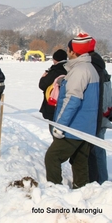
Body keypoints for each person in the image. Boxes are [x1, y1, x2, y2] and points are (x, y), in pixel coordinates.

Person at [44, 33, 100, 189]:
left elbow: (72, 101)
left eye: (69, 49)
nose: (68, 52)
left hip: (74, 127)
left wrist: (60, 126)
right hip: (87, 127)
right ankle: (81, 191)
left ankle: (54, 191)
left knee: (52, 157)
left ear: (74, 51)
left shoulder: (80, 70)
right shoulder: (90, 68)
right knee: (79, 161)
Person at [88, 49, 111, 184]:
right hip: (103, 115)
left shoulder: (96, 73)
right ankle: (101, 179)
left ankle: (101, 181)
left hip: (98, 117)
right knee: (98, 150)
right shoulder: (104, 72)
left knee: (96, 151)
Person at [38, 49, 68, 134]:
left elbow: (42, 85)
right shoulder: (71, 69)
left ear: (55, 59)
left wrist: (43, 77)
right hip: (67, 102)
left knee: (53, 125)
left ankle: (57, 144)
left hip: (53, 102)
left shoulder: (55, 70)